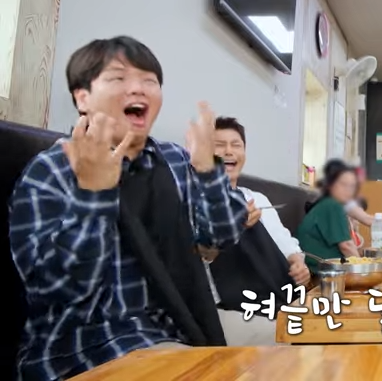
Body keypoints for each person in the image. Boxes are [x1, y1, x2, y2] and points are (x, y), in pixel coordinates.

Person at [8, 36, 249, 380]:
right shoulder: (51, 171)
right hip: (84, 350)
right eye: (118, 78)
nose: (138, 89)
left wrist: (208, 171)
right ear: (82, 98)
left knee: (301, 347)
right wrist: (94, 193)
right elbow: (57, 291)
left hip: (183, 324)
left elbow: (221, 236)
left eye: (149, 81)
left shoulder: (175, 160)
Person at [207, 117, 311, 346]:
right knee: (298, 336)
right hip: (226, 307)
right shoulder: (197, 200)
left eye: (236, 145)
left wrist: (297, 262)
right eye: (219, 145)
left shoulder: (257, 199)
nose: (228, 151)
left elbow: (285, 242)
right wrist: (232, 226)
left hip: (276, 296)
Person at [297, 160, 361, 269]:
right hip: (317, 271)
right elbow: (346, 246)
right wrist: (363, 269)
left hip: (321, 268)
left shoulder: (329, 204)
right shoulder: (332, 205)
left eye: (352, 186)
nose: (348, 190)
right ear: (330, 185)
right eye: (343, 184)